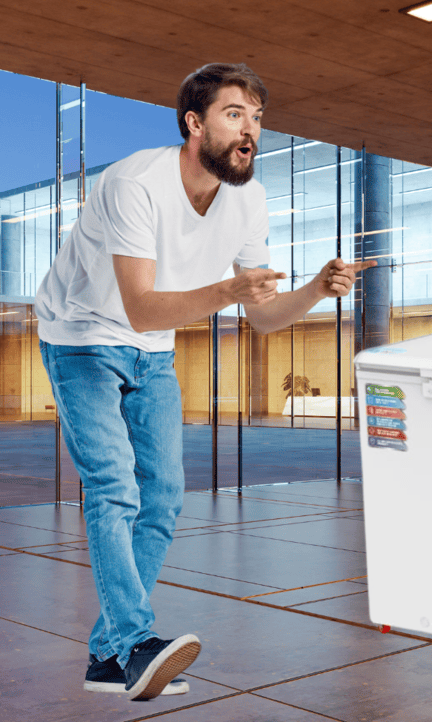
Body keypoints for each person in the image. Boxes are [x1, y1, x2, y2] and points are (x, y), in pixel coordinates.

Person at [34, 63, 375, 701]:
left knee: (162, 497)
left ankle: (107, 659)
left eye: (258, 118)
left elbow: (266, 318)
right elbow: (139, 305)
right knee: (113, 486)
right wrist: (227, 288)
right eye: (234, 114)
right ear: (194, 124)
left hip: (151, 351)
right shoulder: (134, 183)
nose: (251, 131)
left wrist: (315, 289)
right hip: (80, 336)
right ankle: (136, 644)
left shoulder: (249, 197)